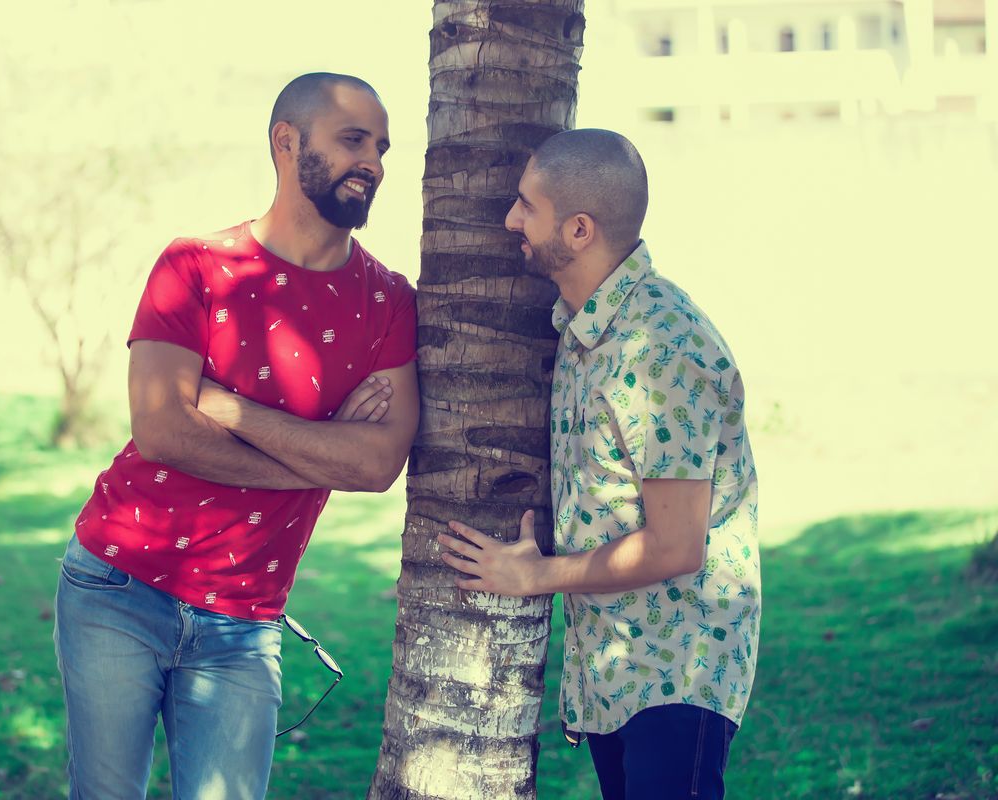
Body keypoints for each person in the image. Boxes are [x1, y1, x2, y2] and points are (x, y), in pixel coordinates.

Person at [52, 73, 419, 800]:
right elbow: (162, 431)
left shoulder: (388, 301)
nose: (373, 161)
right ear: (287, 143)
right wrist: (322, 452)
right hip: (118, 586)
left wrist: (227, 409)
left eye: (381, 147)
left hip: (246, 619)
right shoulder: (194, 266)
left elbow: (377, 465)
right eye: (353, 139)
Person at [437, 129, 761, 800]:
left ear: (579, 229)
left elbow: (676, 546)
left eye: (527, 206)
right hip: (613, 674)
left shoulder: (662, 345)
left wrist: (536, 576)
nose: (510, 220)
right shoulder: (582, 328)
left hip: (678, 676)